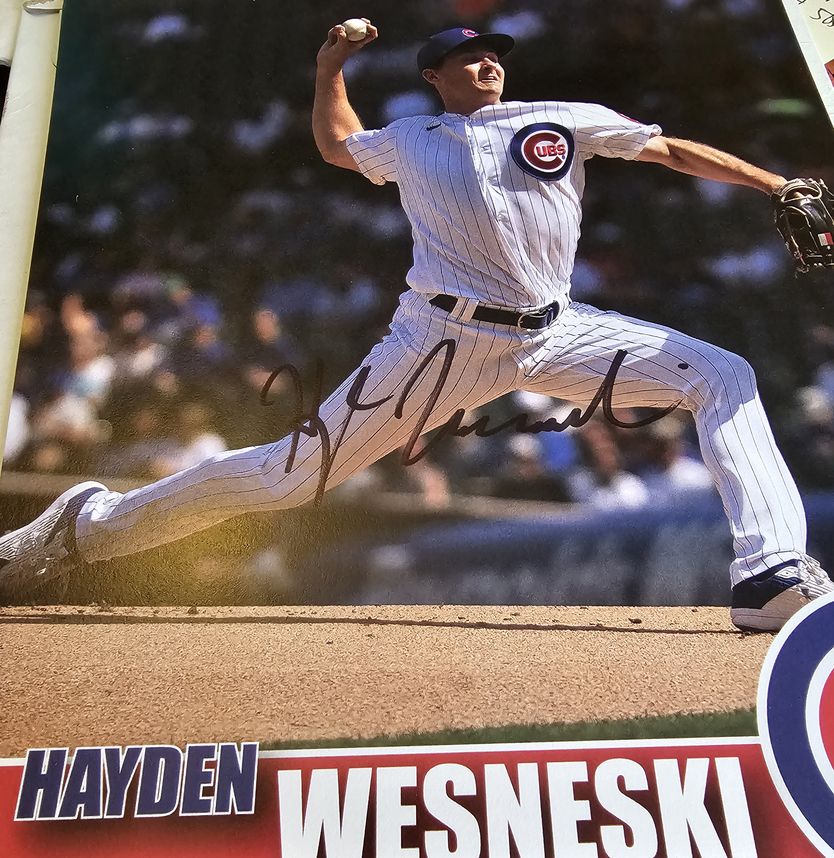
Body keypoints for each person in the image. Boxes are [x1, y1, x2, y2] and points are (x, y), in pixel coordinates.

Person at [1, 22, 831, 632]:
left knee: (723, 375)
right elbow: (338, 144)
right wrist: (330, 67)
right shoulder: (411, 137)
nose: (488, 61)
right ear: (435, 75)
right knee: (291, 476)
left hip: (557, 330)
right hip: (438, 344)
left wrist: (776, 185)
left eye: (494, 52)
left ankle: (767, 575)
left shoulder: (560, 117)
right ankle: (87, 526)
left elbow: (670, 149)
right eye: (468, 56)